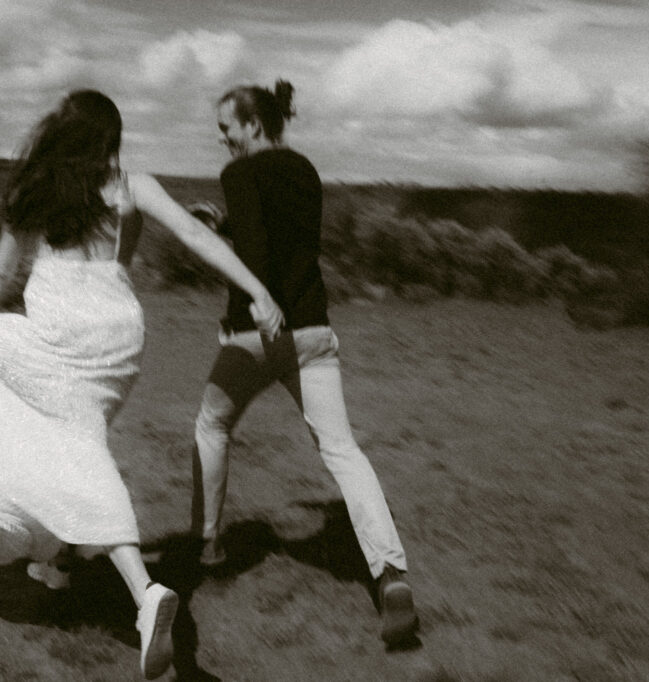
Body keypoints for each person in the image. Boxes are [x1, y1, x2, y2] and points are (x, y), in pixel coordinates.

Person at [0, 89, 284, 679]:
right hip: (116, 336)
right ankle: (57, 557)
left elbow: (2, 269)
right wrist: (257, 290)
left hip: (55, 327)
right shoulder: (134, 185)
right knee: (74, 440)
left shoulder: (38, 189)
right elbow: (197, 236)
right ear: (109, 140)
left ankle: (141, 590)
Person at [189, 80, 419, 647]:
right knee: (342, 450)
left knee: (212, 425)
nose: (222, 139)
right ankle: (390, 573)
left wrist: (249, 300)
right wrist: (226, 226)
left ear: (252, 126)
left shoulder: (239, 174)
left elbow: (257, 256)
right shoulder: (306, 170)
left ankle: (208, 544)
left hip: (258, 332)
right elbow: (287, 240)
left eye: (226, 128)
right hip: (315, 329)